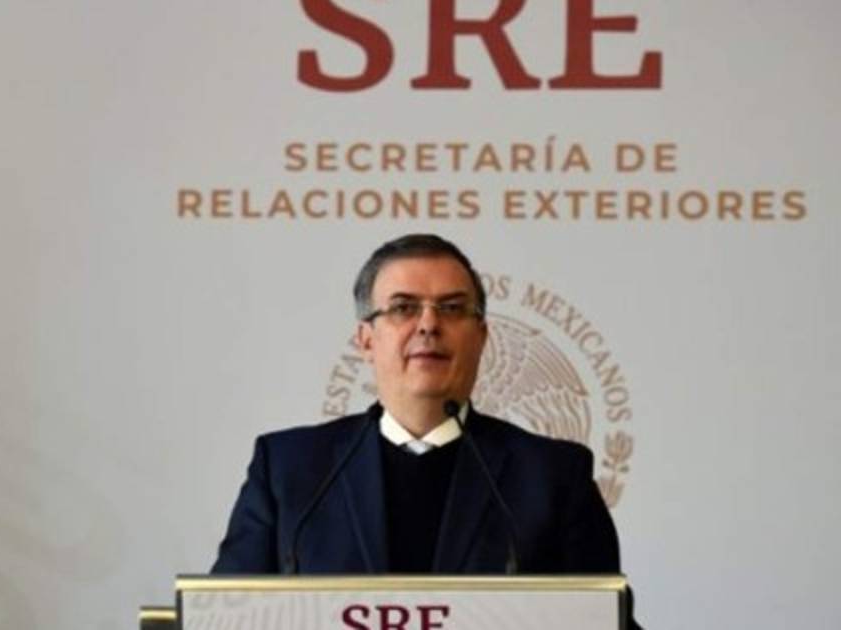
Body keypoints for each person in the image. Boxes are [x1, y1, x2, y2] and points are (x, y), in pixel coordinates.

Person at [211, 234, 641, 628]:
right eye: (404, 308)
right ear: (366, 339)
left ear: (481, 336)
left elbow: (606, 621)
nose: (428, 324)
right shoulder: (290, 469)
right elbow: (223, 617)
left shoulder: (552, 476)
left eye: (452, 308)